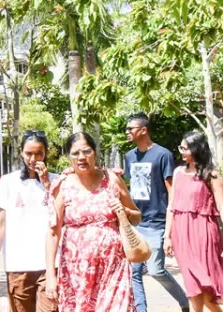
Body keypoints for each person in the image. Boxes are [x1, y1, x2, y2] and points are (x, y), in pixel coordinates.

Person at [46, 132, 138, 312]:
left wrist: (124, 211)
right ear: (69, 157)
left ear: (95, 153)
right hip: (76, 272)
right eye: (75, 153)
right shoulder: (63, 186)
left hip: (113, 268)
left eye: (86, 151)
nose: (81, 157)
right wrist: (50, 274)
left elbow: (136, 216)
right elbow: (53, 232)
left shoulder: (112, 179)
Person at [124, 113, 191, 312]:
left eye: (131, 129)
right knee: (134, 272)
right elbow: (131, 188)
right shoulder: (129, 157)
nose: (127, 132)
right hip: (135, 223)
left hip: (156, 222)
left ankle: (185, 302)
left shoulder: (163, 155)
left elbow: (171, 190)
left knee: (155, 270)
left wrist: (170, 225)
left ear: (143, 130)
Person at [165, 131, 223, 311]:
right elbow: (171, 206)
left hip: (204, 232)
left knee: (205, 291)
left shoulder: (211, 175)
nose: (182, 151)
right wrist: (167, 236)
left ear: (197, 149)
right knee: (192, 285)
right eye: (181, 147)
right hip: (181, 232)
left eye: (186, 147)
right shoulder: (178, 172)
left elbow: (222, 207)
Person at [0, 131, 58, 312]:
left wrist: (46, 184)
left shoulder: (57, 181)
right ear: (21, 152)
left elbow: (59, 218)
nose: (33, 159)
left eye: (39, 153)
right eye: (29, 153)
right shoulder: (7, 182)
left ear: (46, 153)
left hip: (50, 265)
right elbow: (1, 225)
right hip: (18, 264)